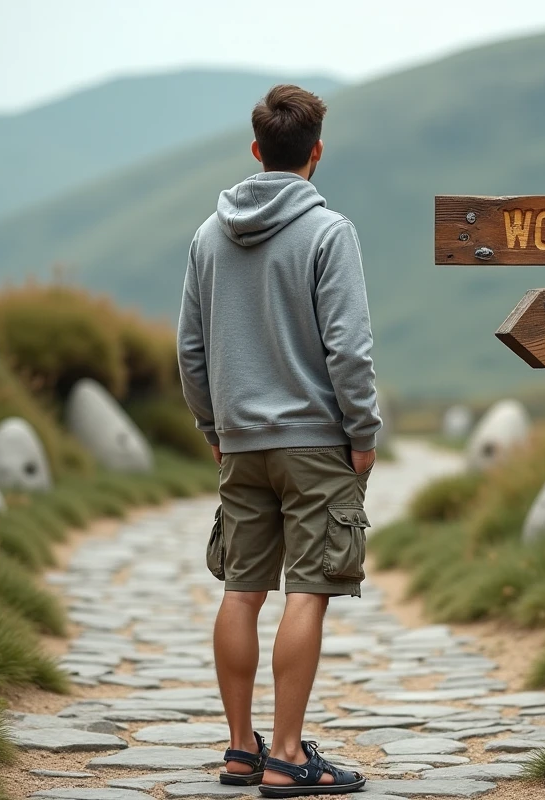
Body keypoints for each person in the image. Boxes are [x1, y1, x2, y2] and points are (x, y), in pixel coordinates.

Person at [177, 84, 379, 797]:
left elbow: (190, 352)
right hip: (316, 444)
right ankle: (288, 755)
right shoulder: (330, 233)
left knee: (242, 591)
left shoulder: (208, 236)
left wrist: (215, 429)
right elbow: (348, 350)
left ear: (257, 151)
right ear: (314, 153)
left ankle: (240, 750)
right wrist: (363, 433)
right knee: (310, 590)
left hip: (240, 445)